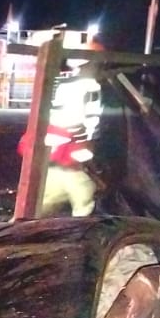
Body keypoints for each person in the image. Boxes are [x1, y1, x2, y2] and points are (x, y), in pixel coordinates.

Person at [17, 74, 102, 216]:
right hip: (54, 172)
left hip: (73, 172)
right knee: (43, 206)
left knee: (82, 204)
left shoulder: (82, 130)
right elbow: (25, 146)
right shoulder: (50, 128)